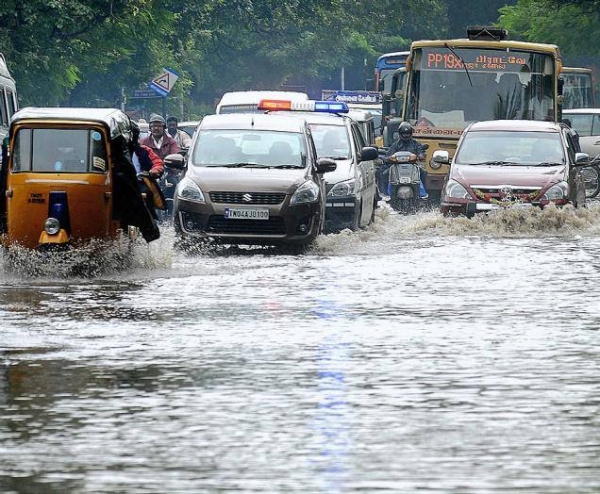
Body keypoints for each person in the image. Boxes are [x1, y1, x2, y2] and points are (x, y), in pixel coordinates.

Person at [384, 121, 428, 199]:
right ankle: (387, 194)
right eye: (404, 133)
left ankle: (422, 194)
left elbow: (421, 153)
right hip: (396, 168)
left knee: (423, 172)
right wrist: (388, 159)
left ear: (411, 133)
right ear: (400, 133)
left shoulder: (416, 144)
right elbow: (388, 156)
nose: (406, 135)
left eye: (408, 133)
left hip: (413, 167)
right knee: (385, 173)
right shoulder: (395, 145)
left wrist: (421, 156)